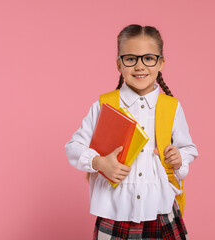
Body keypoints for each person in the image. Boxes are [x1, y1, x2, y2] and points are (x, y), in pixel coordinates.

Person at [65, 24, 198, 239]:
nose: (139, 66)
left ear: (160, 63)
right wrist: (100, 163)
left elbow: (188, 149)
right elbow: (74, 147)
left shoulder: (171, 106)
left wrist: (179, 158)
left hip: (160, 208)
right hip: (116, 210)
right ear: (119, 64)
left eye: (148, 58)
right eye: (130, 58)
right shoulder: (105, 105)